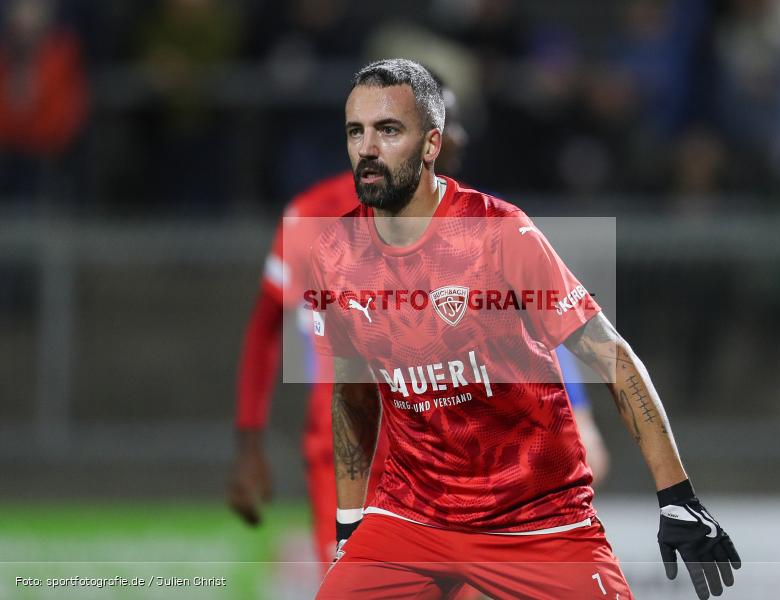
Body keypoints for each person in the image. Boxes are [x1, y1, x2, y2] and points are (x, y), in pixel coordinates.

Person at [309, 59, 740, 600]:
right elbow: (351, 394)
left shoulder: (498, 234)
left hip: (536, 519)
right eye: (356, 131)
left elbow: (612, 356)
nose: (367, 148)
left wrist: (677, 495)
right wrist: (351, 524)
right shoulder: (335, 254)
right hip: (411, 521)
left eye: (388, 130)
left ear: (431, 145)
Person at [226, 78, 610, 575]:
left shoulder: (485, 228)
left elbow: (538, 328)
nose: (458, 139)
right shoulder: (310, 218)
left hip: (454, 463)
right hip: (348, 459)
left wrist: (576, 421)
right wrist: (248, 440)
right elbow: (264, 329)